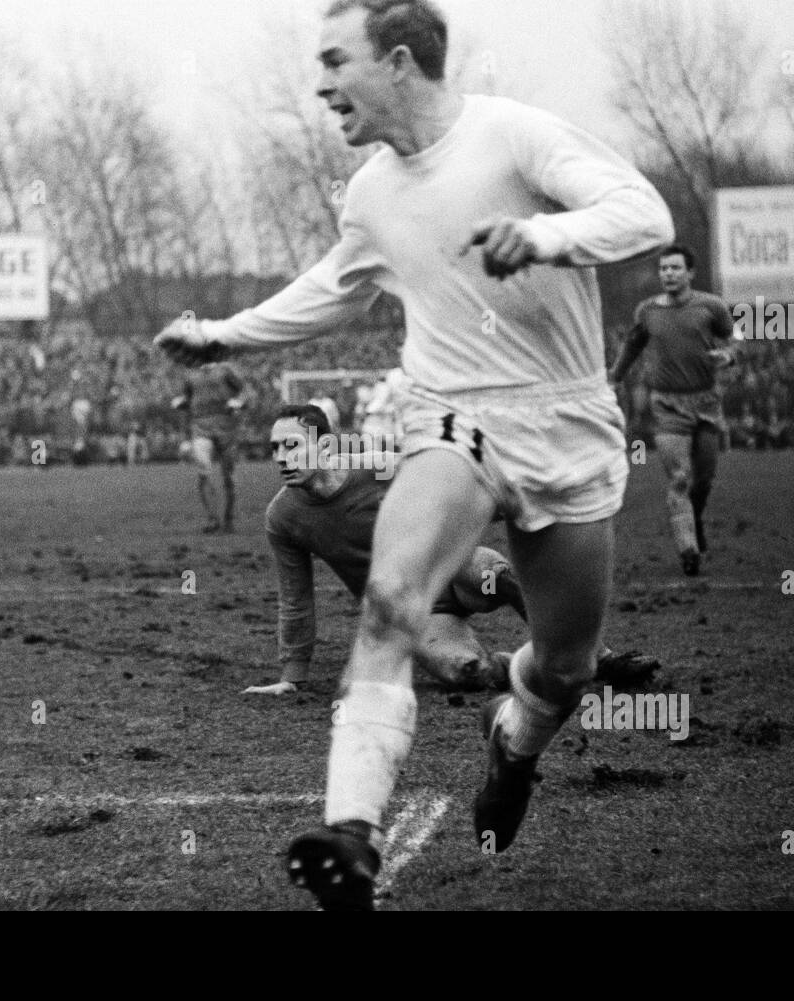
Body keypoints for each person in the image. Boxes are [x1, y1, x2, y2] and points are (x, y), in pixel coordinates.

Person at [155, 0, 673, 910]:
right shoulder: (371, 193)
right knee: (392, 597)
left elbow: (644, 213)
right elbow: (332, 287)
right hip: (452, 421)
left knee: (563, 667)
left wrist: (548, 234)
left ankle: (513, 745)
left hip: (567, 426)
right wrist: (225, 336)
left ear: (398, 62)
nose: (319, 84)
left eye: (333, 61)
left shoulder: (512, 135)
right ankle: (351, 832)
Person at [250, 404, 660, 696]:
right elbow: (295, 599)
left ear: (325, 447)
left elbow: (458, 483)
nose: (282, 458)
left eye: (292, 446)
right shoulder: (282, 518)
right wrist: (293, 674)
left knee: (499, 578)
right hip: (415, 612)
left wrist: (523, 505)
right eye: (275, 449)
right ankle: (513, 666)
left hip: (450, 568)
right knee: (468, 675)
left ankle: (598, 659)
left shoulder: (377, 466)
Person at [610, 244, 736, 576]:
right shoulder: (647, 311)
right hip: (666, 405)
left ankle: (694, 518)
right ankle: (688, 549)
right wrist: (614, 377)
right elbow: (632, 345)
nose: (668, 274)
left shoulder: (711, 307)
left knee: (705, 477)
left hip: (707, 403)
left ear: (690, 273)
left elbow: (735, 337)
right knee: (679, 477)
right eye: (664, 269)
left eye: (675, 268)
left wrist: (730, 355)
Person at [170, 360, 247, 532]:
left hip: (226, 429)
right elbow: (186, 403)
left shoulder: (225, 371)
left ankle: (228, 518)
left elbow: (244, 393)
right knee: (204, 471)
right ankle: (213, 519)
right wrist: (185, 436)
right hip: (200, 428)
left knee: (229, 477)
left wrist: (239, 403)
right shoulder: (190, 374)